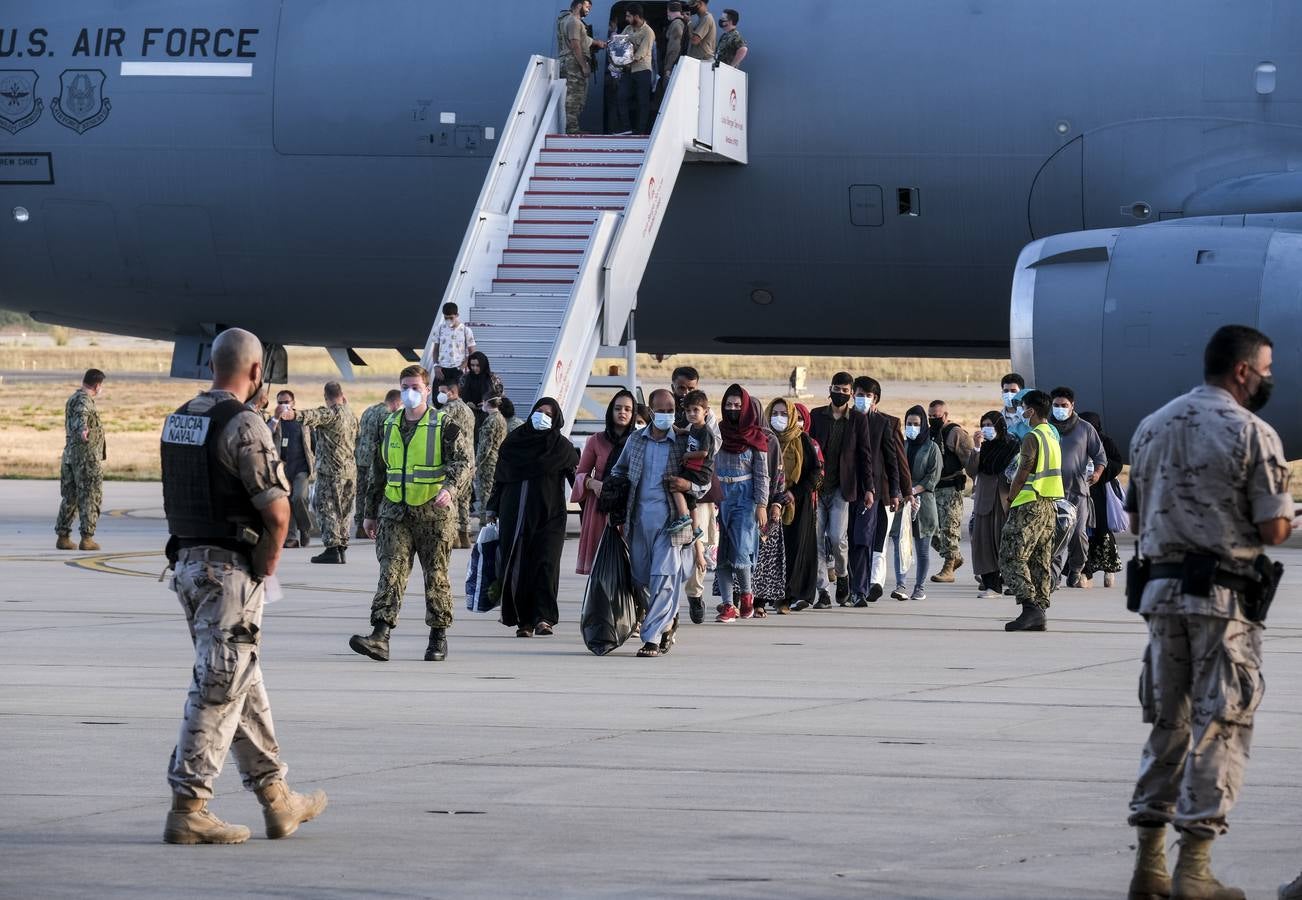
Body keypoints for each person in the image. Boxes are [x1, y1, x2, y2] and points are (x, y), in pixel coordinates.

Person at [1124, 325, 1292, 900]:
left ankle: (1149, 866)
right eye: (1266, 370)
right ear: (1242, 371)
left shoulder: (1152, 425)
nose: (1269, 379)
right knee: (1221, 727)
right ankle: (1194, 868)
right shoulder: (1253, 432)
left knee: (1168, 725)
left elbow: (1136, 513)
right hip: (1222, 605)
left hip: (1160, 597)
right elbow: (1273, 527)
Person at [159, 327, 326, 845]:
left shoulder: (180, 418)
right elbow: (277, 510)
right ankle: (190, 806)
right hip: (228, 570)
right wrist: (266, 567)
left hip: (187, 563)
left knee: (240, 680)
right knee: (218, 686)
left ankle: (277, 799)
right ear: (256, 372)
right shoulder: (244, 423)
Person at [351, 364, 472, 663]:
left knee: (436, 576)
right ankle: (380, 636)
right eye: (405, 386)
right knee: (390, 572)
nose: (410, 393)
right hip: (395, 512)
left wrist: (450, 488)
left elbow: (463, 462)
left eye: (416, 387)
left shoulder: (443, 425)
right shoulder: (388, 423)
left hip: (434, 514)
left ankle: (437, 638)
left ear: (427, 390)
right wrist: (370, 513)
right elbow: (378, 472)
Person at [608, 388, 706, 656]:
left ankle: (651, 637)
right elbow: (619, 470)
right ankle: (668, 619)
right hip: (638, 521)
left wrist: (687, 484)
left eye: (670, 409)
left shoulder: (685, 442)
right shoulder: (636, 441)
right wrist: (614, 493)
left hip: (671, 523)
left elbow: (704, 483)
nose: (665, 414)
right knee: (641, 577)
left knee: (663, 577)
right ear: (650, 412)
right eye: (660, 410)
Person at [487, 398, 579, 638]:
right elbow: (500, 477)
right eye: (538, 411)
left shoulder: (561, 447)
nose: (542, 416)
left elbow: (576, 478)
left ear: (556, 418)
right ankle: (523, 621)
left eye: (548, 413)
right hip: (514, 514)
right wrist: (492, 508)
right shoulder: (514, 442)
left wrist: (590, 506)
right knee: (519, 566)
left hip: (550, 515)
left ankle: (544, 618)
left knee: (546, 565)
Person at [804, 372, 873, 609]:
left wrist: (869, 488)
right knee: (815, 540)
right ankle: (823, 591)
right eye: (837, 389)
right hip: (818, 488)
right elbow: (808, 451)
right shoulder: (816, 416)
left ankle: (842, 576)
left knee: (836, 538)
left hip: (842, 489)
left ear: (851, 394)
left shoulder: (858, 420)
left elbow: (865, 455)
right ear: (830, 389)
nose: (840, 394)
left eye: (845, 391)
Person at [998, 390, 1065, 632]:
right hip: (1048, 504)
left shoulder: (1032, 437)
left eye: (1023, 407)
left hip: (1028, 502)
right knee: (1039, 559)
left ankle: (1029, 608)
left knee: (1011, 555)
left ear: (1031, 411)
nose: (1021, 412)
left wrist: (1012, 496)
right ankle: (1039, 610)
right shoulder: (1051, 435)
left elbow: (1023, 471)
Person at [713, 384, 770, 622]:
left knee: (740, 551)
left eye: (738, 405)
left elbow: (762, 474)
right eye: (729, 405)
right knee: (721, 554)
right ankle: (728, 604)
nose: (733, 409)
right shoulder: (716, 432)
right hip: (719, 495)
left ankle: (746, 594)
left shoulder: (757, 438)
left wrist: (762, 504)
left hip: (744, 498)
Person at [287, 381, 359, 565]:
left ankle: (332, 549)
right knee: (344, 510)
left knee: (326, 507)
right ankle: (342, 547)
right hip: (350, 471)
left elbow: (311, 415)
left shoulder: (331, 413)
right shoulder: (350, 414)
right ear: (342, 395)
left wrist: (292, 414)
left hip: (331, 472)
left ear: (326, 397)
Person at [848, 377, 900, 605]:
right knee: (842, 540)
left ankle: (859, 589)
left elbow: (892, 460)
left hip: (872, 492)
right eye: (859, 394)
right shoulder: (845, 419)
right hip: (846, 487)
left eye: (868, 396)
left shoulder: (881, 423)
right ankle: (847, 585)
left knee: (862, 539)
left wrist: (896, 491)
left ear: (875, 399)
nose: (863, 399)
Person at [1048, 386, 1106, 588]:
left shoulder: (1085, 428)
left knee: (1078, 535)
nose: (1060, 408)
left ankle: (1076, 567)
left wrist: (1097, 473)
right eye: (1056, 405)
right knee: (1054, 536)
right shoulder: (1046, 428)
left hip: (1077, 492)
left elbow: (1100, 457)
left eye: (1064, 405)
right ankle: (1053, 578)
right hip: (1051, 492)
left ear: (1073, 406)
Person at [572, 390, 635, 575]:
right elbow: (580, 473)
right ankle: (600, 603)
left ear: (633, 414)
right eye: (618, 408)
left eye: (628, 409)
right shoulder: (596, 440)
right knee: (601, 568)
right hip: (600, 507)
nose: (622, 412)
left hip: (629, 507)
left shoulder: (639, 440)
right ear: (610, 411)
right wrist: (593, 484)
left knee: (628, 567)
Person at [965, 410, 1017, 598]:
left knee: (1005, 543)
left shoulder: (1012, 446)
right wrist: (977, 448)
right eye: (984, 425)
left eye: (990, 425)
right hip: (984, 500)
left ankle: (1013, 581)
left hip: (1004, 501)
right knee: (983, 543)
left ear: (999, 426)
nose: (986, 429)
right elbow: (971, 471)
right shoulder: (983, 448)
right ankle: (991, 585)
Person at [891, 406, 941, 600]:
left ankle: (919, 587)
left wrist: (912, 491)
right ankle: (900, 585)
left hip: (924, 502)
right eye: (909, 424)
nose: (912, 427)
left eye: (916, 424)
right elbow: (893, 471)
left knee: (922, 549)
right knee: (900, 545)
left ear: (924, 426)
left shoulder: (932, 448)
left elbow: (932, 477)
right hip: (902, 502)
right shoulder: (900, 445)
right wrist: (901, 493)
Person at [777, 402, 822, 613]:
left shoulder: (803, 440)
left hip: (799, 502)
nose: (780, 418)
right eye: (775, 414)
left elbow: (815, 473)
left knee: (796, 548)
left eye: (784, 414)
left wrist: (794, 492)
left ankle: (791, 595)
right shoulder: (768, 439)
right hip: (771, 502)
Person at [56, 368, 106, 551]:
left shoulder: (73, 398)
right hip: (85, 457)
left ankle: (63, 536)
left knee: (70, 496)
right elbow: (82, 415)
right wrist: (83, 429)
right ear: (97, 385)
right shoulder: (84, 401)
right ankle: (87, 538)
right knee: (91, 495)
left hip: (69, 455)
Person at [927, 399, 973, 584]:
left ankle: (948, 567)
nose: (932, 419)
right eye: (930, 416)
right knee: (929, 529)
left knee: (949, 529)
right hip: (932, 488)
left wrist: (976, 482)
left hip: (950, 489)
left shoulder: (955, 433)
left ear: (945, 415)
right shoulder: (929, 433)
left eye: (936, 416)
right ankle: (954, 557)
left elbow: (970, 460)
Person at [1078, 411, 1124, 588]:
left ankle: (1109, 569)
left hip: (1100, 492)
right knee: (1082, 532)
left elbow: (1117, 462)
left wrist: (1100, 471)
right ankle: (1084, 572)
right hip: (1080, 489)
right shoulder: (1077, 439)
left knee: (1102, 531)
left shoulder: (1105, 441)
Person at [268, 390, 315, 548]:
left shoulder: (302, 420)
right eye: (280, 402)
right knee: (286, 502)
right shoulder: (275, 421)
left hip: (301, 467)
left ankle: (305, 528)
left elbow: (313, 444)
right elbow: (266, 435)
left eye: (286, 402)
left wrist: (314, 464)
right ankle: (291, 537)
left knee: (298, 498)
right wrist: (275, 417)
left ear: (293, 403)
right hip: (282, 469)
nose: (283, 405)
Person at [437, 372, 479, 549]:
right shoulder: (468, 409)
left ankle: (453, 537)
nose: (439, 394)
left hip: (455, 460)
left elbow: (435, 422)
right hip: (469, 460)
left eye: (442, 391)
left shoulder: (449, 409)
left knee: (452, 499)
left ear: (452, 393)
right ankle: (464, 536)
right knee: (464, 500)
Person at [353, 389, 402, 539]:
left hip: (361, 457)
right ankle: (375, 522)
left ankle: (360, 525)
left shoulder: (368, 410)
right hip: (375, 459)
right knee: (374, 491)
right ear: (396, 402)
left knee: (361, 492)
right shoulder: (387, 415)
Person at [669, 389, 715, 535]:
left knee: (674, 484)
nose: (692, 414)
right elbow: (693, 436)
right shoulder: (695, 428)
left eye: (696, 410)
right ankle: (696, 530)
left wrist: (687, 455)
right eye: (688, 411)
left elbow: (704, 452)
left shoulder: (706, 431)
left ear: (706, 411)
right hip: (694, 469)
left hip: (699, 472)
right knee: (690, 500)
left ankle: (683, 517)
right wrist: (683, 432)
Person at [556, 0, 606, 135]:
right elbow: (575, 45)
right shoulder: (574, 21)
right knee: (574, 98)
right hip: (574, 64)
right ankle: (572, 130)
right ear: (579, 6)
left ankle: (572, 128)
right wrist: (584, 66)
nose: (589, 10)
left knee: (576, 97)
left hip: (569, 62)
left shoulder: (566, 20)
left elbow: (583, 39)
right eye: (587, 6)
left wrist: (597, 43)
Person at [615, 3, 655, 135]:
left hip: (642, 71)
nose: (626, 19)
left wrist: (623, 60)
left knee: (642, 101)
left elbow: (640, 54)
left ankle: (641, 131)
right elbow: (619, 42)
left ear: (636, 16)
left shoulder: (648, 32)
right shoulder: (628, 28)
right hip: (628, 70)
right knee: (621, 97)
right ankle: (626, 128)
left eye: (628, 16)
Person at [474, 395, 509, 525]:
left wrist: (476, 464)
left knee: (485, 496)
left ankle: (485, 526)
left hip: (487, 464)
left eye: (483, 402)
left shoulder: (491, 420)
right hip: (497, 461)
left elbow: (485, 446)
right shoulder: (501, 418)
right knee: (492, 494)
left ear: (487, 403)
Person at [459, 350, 504, 449]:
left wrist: (488, 403)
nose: (474, 368)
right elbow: (459, 396)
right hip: (469, 414)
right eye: (472, 365)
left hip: (488, 415)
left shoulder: (493, 378)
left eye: (477, 365)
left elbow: (500, 397)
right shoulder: (465, 378)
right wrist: (467, 403)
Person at [428, 302, 476, 382]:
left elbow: (473, 353)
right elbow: (435, 350)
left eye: (451, 318)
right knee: (439, 394)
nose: (448, 320)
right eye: (446, 318)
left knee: (458, 394)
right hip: (442, 370)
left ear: (457, 315)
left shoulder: (466, 330)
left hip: (459, 369)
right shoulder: (439, 329)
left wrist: (461, 368)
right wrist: (436, 366)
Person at [663, 1, 688, 83]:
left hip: (673, 66)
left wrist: (668, 68)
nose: (667, 14)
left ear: (669, 10)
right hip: (678, 64)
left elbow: (674, 48)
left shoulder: (676, 24)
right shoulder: (682, 23)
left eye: (667, 11)